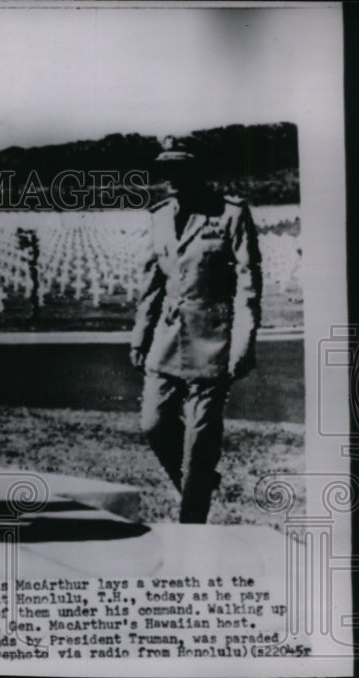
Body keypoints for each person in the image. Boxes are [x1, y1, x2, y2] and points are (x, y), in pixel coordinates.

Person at [129, 136, 262, 523]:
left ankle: (192, 524)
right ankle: (199, 483)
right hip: (167, 341)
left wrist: (243, 342)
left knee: (199, 445)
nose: (169, 177)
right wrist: (141, 335)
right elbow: (151, 284)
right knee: (154, 424)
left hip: (212, 342)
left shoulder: (231, 215)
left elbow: (248, 288)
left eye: (178, 168)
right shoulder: (159, 216)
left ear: (197, 172)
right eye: (165, 168)